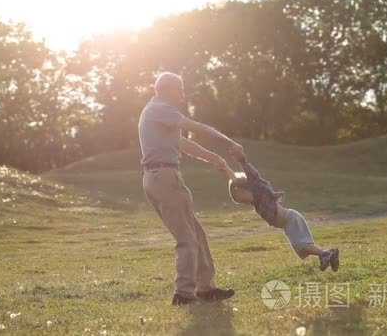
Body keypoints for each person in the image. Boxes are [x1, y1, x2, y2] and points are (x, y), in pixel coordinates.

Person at [138, 72, 243, 306]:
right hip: (164, 176)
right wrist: (229, 143)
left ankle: (206, 289)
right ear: (168, 89)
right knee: (187, 238)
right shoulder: (160, 108)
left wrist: (214, 158)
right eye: (181, 89)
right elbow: (195, 126)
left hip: (162, 175)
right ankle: (184, 295)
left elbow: (184, 144)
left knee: (196, 234)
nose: (184, 94)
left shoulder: (161, 115)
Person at [226, 150, 339, 271]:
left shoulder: (260, 190)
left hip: (290, 219)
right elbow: (235, 181)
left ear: (247, 189)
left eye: (242, 199)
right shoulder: (257, 203)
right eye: (241, 203)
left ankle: (325, 254)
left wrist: (242, 160)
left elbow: (253, 176)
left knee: (302, 245)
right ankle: (329, 254)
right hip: (288, 223)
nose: (244, 203)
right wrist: (226, 169)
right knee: (301, 247)